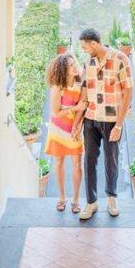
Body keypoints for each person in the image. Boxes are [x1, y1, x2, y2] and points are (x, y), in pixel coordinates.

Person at [72, 27, 133, 220]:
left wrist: (119, 125)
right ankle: (91, 202)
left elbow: (128, 93)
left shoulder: (120, 59)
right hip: (91, 118)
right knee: (89, 160)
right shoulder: (88, 62)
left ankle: (112, 198)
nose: (83, 50)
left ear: (94, 44)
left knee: (112, 160)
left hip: (111, 119)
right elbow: (84, 93)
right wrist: (77, 122)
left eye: (84, 47)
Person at [44, 53, 88, 213]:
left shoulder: (80, 82)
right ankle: (62, 197)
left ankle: (76, 200)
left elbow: (83, 107)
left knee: (77, 164)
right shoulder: (58, 86)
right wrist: (75, 108)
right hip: (58, 130)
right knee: (59, 163)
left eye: (75, 63)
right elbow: (56, 112)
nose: (75, 67)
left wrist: (78, 127)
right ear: (64, 70)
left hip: (74, 129)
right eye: (71, 66)